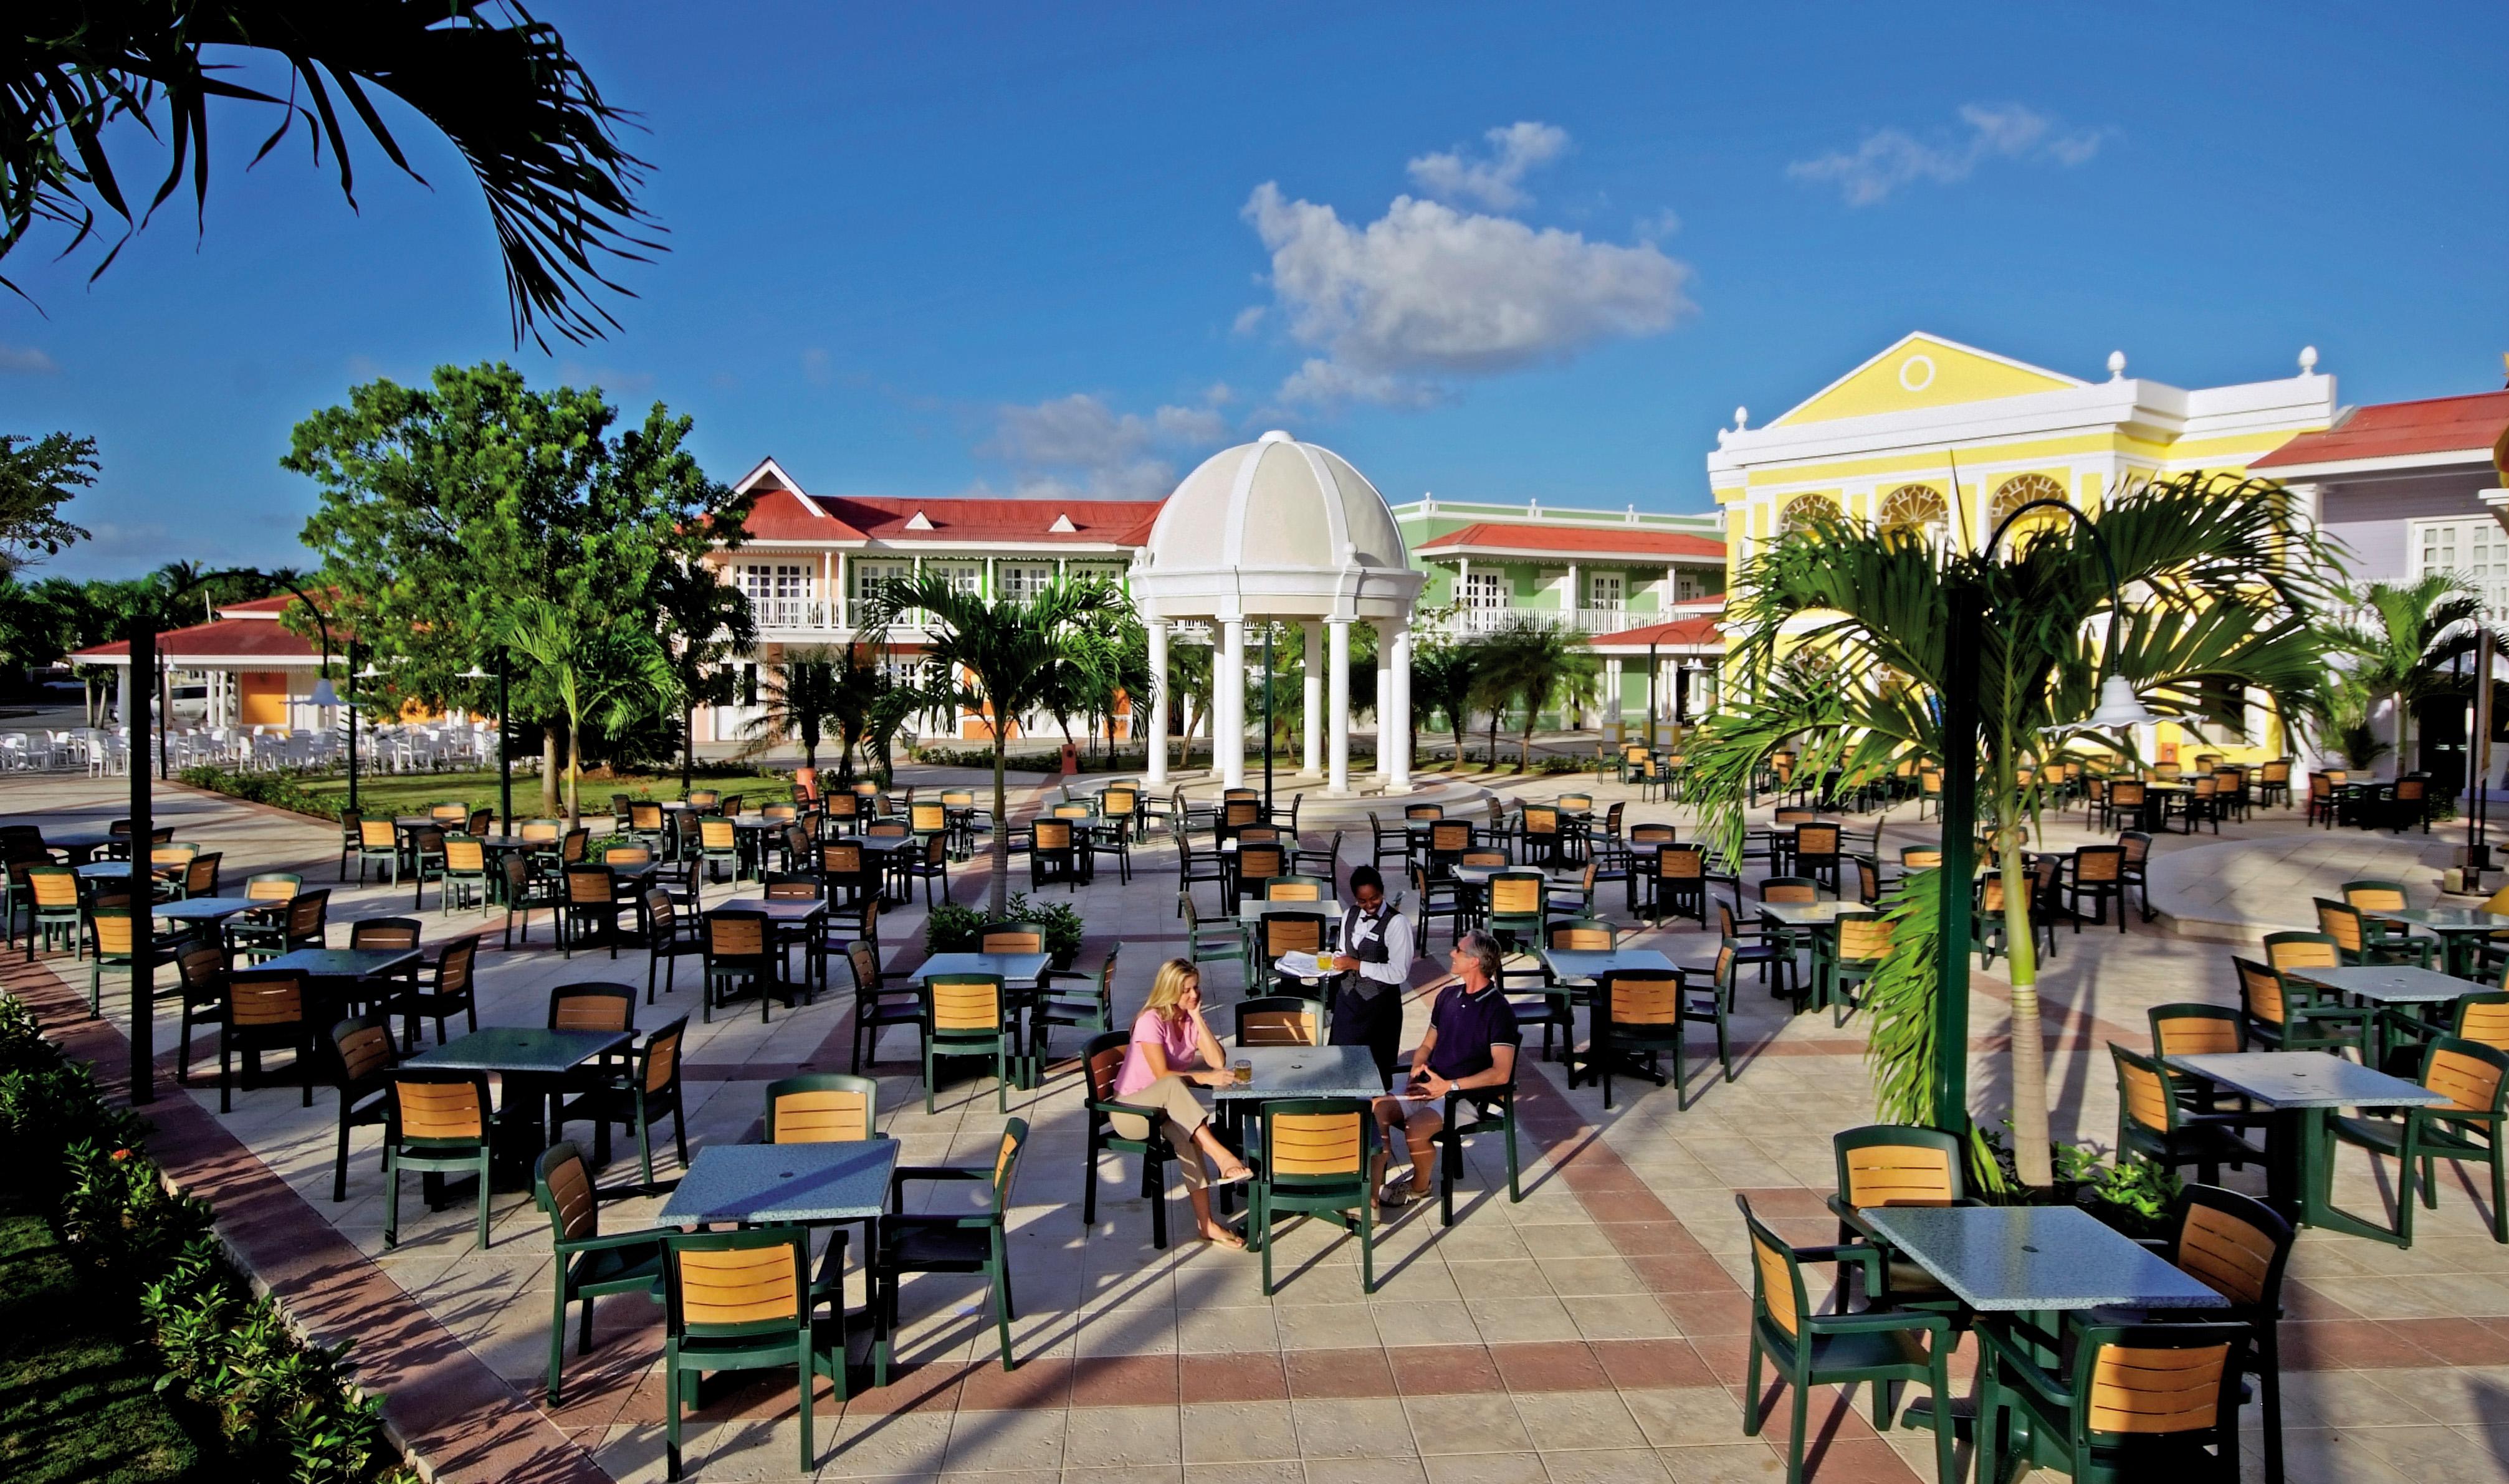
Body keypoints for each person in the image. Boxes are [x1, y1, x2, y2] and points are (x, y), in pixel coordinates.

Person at [1371, 930, 1519, 1209]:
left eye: (1459, 951)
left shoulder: (1499, 1011)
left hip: (1464, 1095)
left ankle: (1419, 1186)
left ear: (1475, 961)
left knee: (1415, 1130)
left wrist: (1448, 1087)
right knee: (1377, 1108)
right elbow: (1427, 1044)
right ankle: (1371, 1199)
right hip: (1430, 1086)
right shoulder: (1448, 996)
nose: (1452, 953)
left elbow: (1501, 1073)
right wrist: (1417, 1067)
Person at [1113, 959, 1254, 1248]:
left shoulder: (1188, 1019)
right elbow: (1164, 1076)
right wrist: (1204, 1078)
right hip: (1131, 1112)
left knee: (1189, 1135)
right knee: (1173, 1085)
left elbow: (1218, 1061)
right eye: (1186, 990)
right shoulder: (1150, 1021)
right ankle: (1222, 1156)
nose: (1194, 995)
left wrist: (1198, 1017)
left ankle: (1207, 1225)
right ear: (1169, 990)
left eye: (1196, 987)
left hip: (1165, 1112)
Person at [1327, 864, 1413, 1087]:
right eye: (1362, 901)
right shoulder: (1349, 915)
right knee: (1341, 1064)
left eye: (1374, 898)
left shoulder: (1397, 923)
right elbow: (1344, 951)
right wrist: (1334, 963)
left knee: (1375, 1074)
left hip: (1380, 1007)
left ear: (1382, 892)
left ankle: (1376, 1119)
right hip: (1348, 1000)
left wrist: (1356, 964)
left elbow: (1399, 973)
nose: (1369, 906)